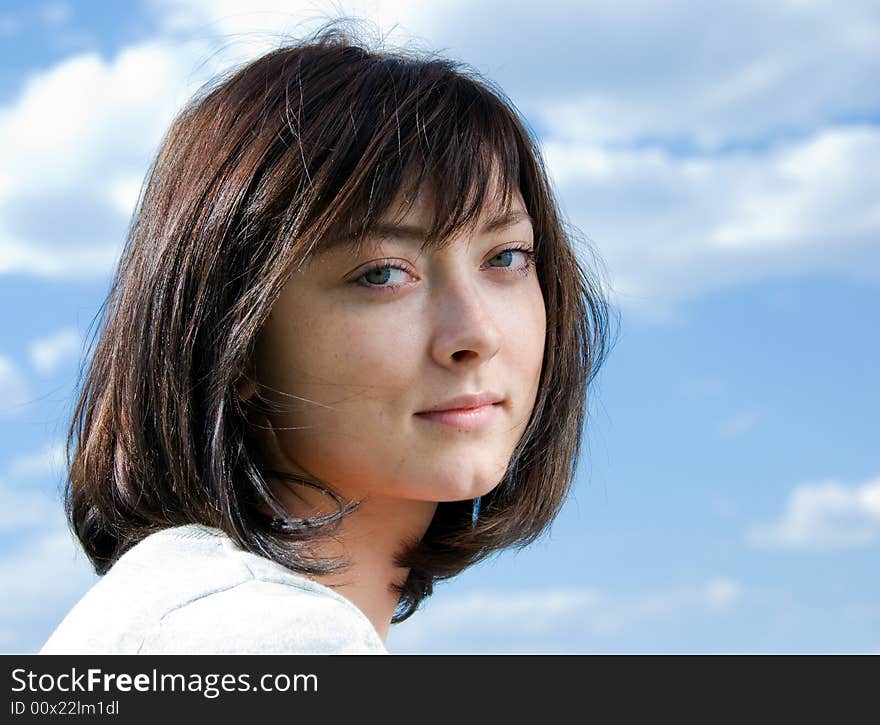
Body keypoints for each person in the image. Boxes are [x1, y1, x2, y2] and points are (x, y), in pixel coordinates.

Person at [39, 20, 614, 654]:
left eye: (505, 258)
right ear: (236, 340)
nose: (475, 334)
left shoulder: (192, 610)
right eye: (383, 274)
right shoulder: (272, 639)